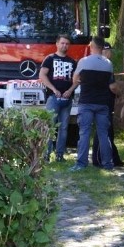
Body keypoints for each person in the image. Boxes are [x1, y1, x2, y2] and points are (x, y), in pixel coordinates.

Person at [70, 36, 117, 171]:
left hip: (86, 102)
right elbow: (111, 83)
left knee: (84, 133)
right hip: (103, 103)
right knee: (103, 134)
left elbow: (75, 80)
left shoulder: (83, 61)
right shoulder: (108, 63)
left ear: (92, 46)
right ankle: (108, 164)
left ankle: (81, 164)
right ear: (102, 47)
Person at [39, 34, 77, 162]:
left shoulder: (72, 61)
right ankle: (46, 155)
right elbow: (42, 76)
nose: (64, 45)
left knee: (64, 127)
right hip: (52, 98)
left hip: (67, 99)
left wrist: (70, 90)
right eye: (62, 43)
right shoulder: (49, 59)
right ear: (57, 44)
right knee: (50, 126)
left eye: (67, 43)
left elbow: (78, 80)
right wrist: (54, 89)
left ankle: (60, 155)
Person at [92, 42, 124, 167]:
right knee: (104, 131)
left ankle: (114, 157)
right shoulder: (106, 66)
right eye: (109, 50)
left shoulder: (95, 64)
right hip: (105, 102)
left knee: (108, 131)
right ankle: (98, 159)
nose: (110, 53)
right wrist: (119, 92)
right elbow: (113, 87)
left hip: (100, 101)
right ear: (104, 51)